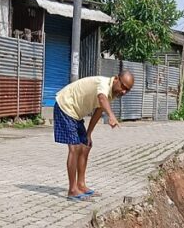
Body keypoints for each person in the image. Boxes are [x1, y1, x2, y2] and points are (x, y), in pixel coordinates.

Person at [53, 70, 135, 200]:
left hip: (75, 113)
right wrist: (111, 116)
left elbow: (98, 111)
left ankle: (81, 184)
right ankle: (72, 190)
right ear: (116, 79)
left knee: (86, 145)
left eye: (127, 90)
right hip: (65, 106)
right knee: (74, 148)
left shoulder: (112, 94)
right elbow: (102, 99)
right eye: (123, 86)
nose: (124, 91)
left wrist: (89, 133)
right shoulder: (103, 84)